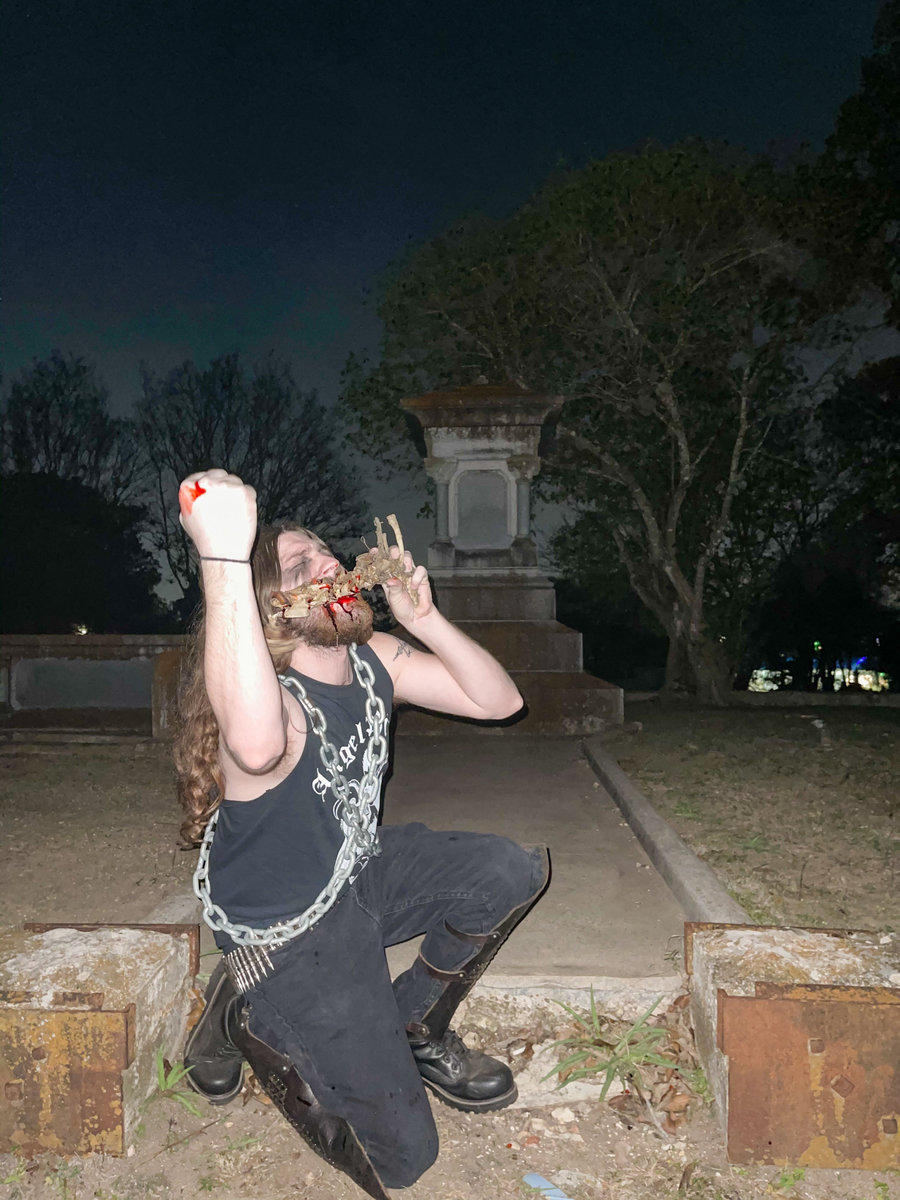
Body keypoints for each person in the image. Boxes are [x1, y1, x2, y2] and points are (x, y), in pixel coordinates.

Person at [176, 468, 549, 1198]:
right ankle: (247, 1007)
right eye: (299, 565)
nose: (328, 565)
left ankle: (414, 1027)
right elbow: (254, 745)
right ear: (269, 608)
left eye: (326, 553)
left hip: (356, 872)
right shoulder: (271, 702)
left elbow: (500, 701)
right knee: (404, 1157)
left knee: (509, 870)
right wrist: (221, 558)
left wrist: (425, 619)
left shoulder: (373, 657)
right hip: (287, 932)